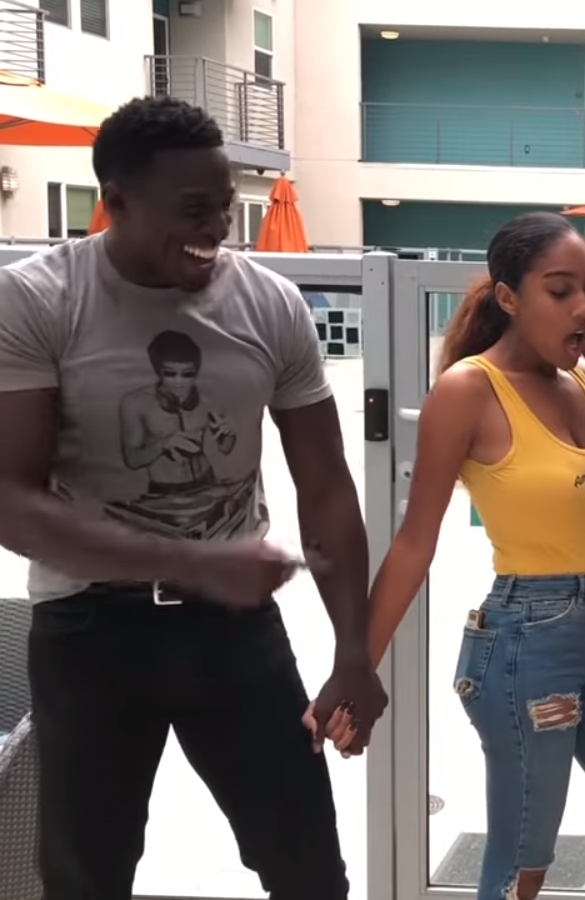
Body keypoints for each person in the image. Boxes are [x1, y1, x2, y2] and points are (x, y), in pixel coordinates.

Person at [0, 96, 386, 900]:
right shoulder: (38, 300)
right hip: (89, 630)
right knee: (84, 880)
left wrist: (354, 651)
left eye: (224, 207)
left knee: (310, 872)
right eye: (192, 210)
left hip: (234, 630)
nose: (216, 229)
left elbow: (324, 482)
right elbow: (13, 504)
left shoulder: (269, 304)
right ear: (116, 201)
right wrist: (197, 562)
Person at [319, 212, 585, 900]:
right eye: (560, 290)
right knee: (521, 872)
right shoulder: (468, 390)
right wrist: (355, 668)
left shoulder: (582, 382)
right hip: (523, 648)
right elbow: (414, 543)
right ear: (508, 298)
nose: (581, 306)